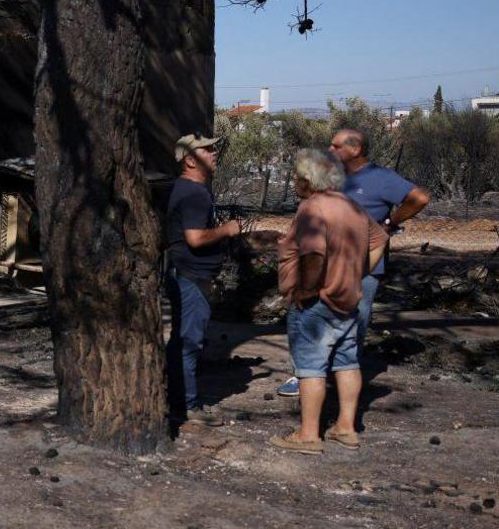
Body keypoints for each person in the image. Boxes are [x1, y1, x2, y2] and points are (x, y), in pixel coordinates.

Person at [275, 128, 430, 395]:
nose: (330, 150)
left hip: (361, 269)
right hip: (319, 263)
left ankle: (338, 377)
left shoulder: (381, 178)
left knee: (353, 323)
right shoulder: (331, 177)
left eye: (336, 146)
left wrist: (390, 224)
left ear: (356, 149)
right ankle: (303, 375)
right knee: (305, 320)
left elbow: (420, 198)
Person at [269, 149, 385, 455]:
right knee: (347, 362)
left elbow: (314, 255)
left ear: (307, 181)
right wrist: (357, 273)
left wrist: (307, 291)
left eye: (296, 176)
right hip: (348, 299)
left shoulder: (312, 209)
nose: (294, 181)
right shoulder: (351, 206)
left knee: (310, 368)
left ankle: (308, 435)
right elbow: (380, 240)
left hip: (317, 303)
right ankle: (346, 428)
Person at [164, 133, 243, 426]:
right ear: (189, 160)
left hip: (186, 274)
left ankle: (178, 399)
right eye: (207, 150)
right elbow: (195, 238)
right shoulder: (194, 193)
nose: (214, 154)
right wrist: (228, 230)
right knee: (189, 342)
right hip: (191, 275)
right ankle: (186, 407)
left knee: (182, 339)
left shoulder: (188, 190)